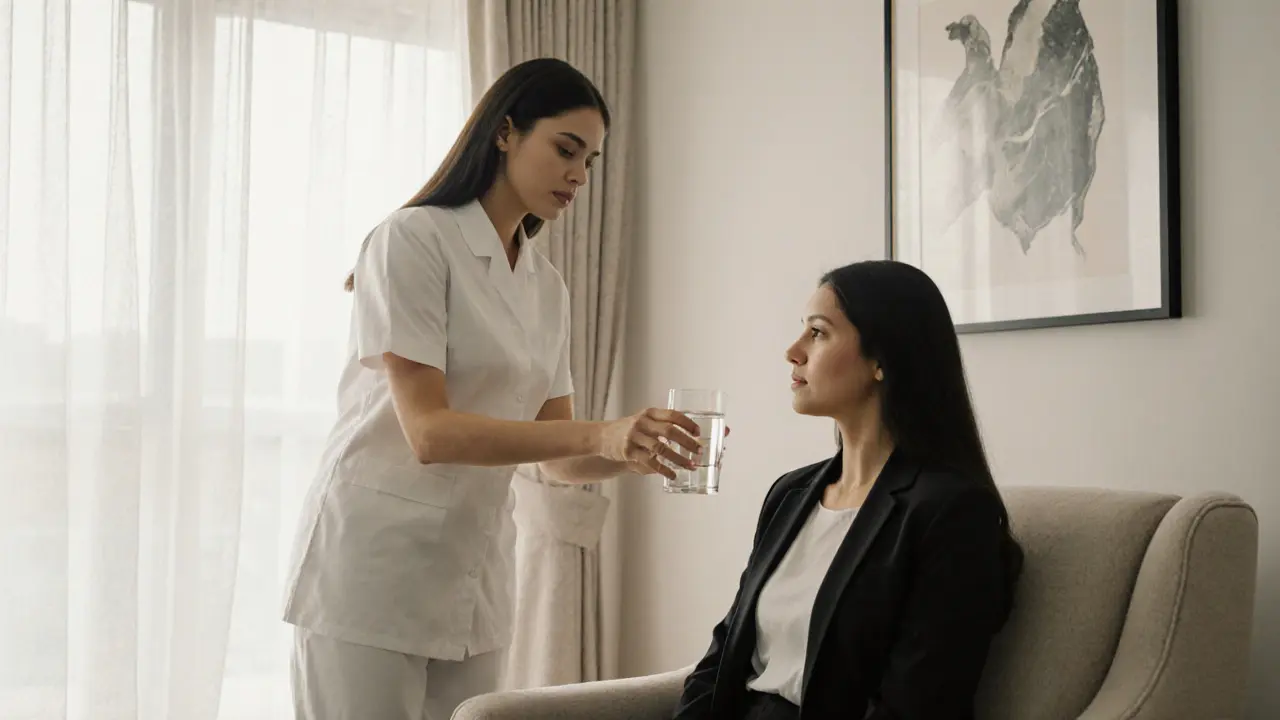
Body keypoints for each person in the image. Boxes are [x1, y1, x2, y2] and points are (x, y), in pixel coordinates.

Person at [282, 57, 705, 720]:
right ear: (506, 132)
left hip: (474, 581)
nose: (578, 175)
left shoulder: (547, 289)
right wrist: (603, 432)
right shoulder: (411, 241)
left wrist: (635, 449)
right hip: (372, 571)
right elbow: (429, 433)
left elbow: (561, 460)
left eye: (590, 161)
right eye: (565, 149)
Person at [672, 260, 1023, 720]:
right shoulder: (791, 494)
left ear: (882, 360)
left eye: (817, 333)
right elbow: (722, 658)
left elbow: (921, 703)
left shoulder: (950, 511)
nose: (792, 352)